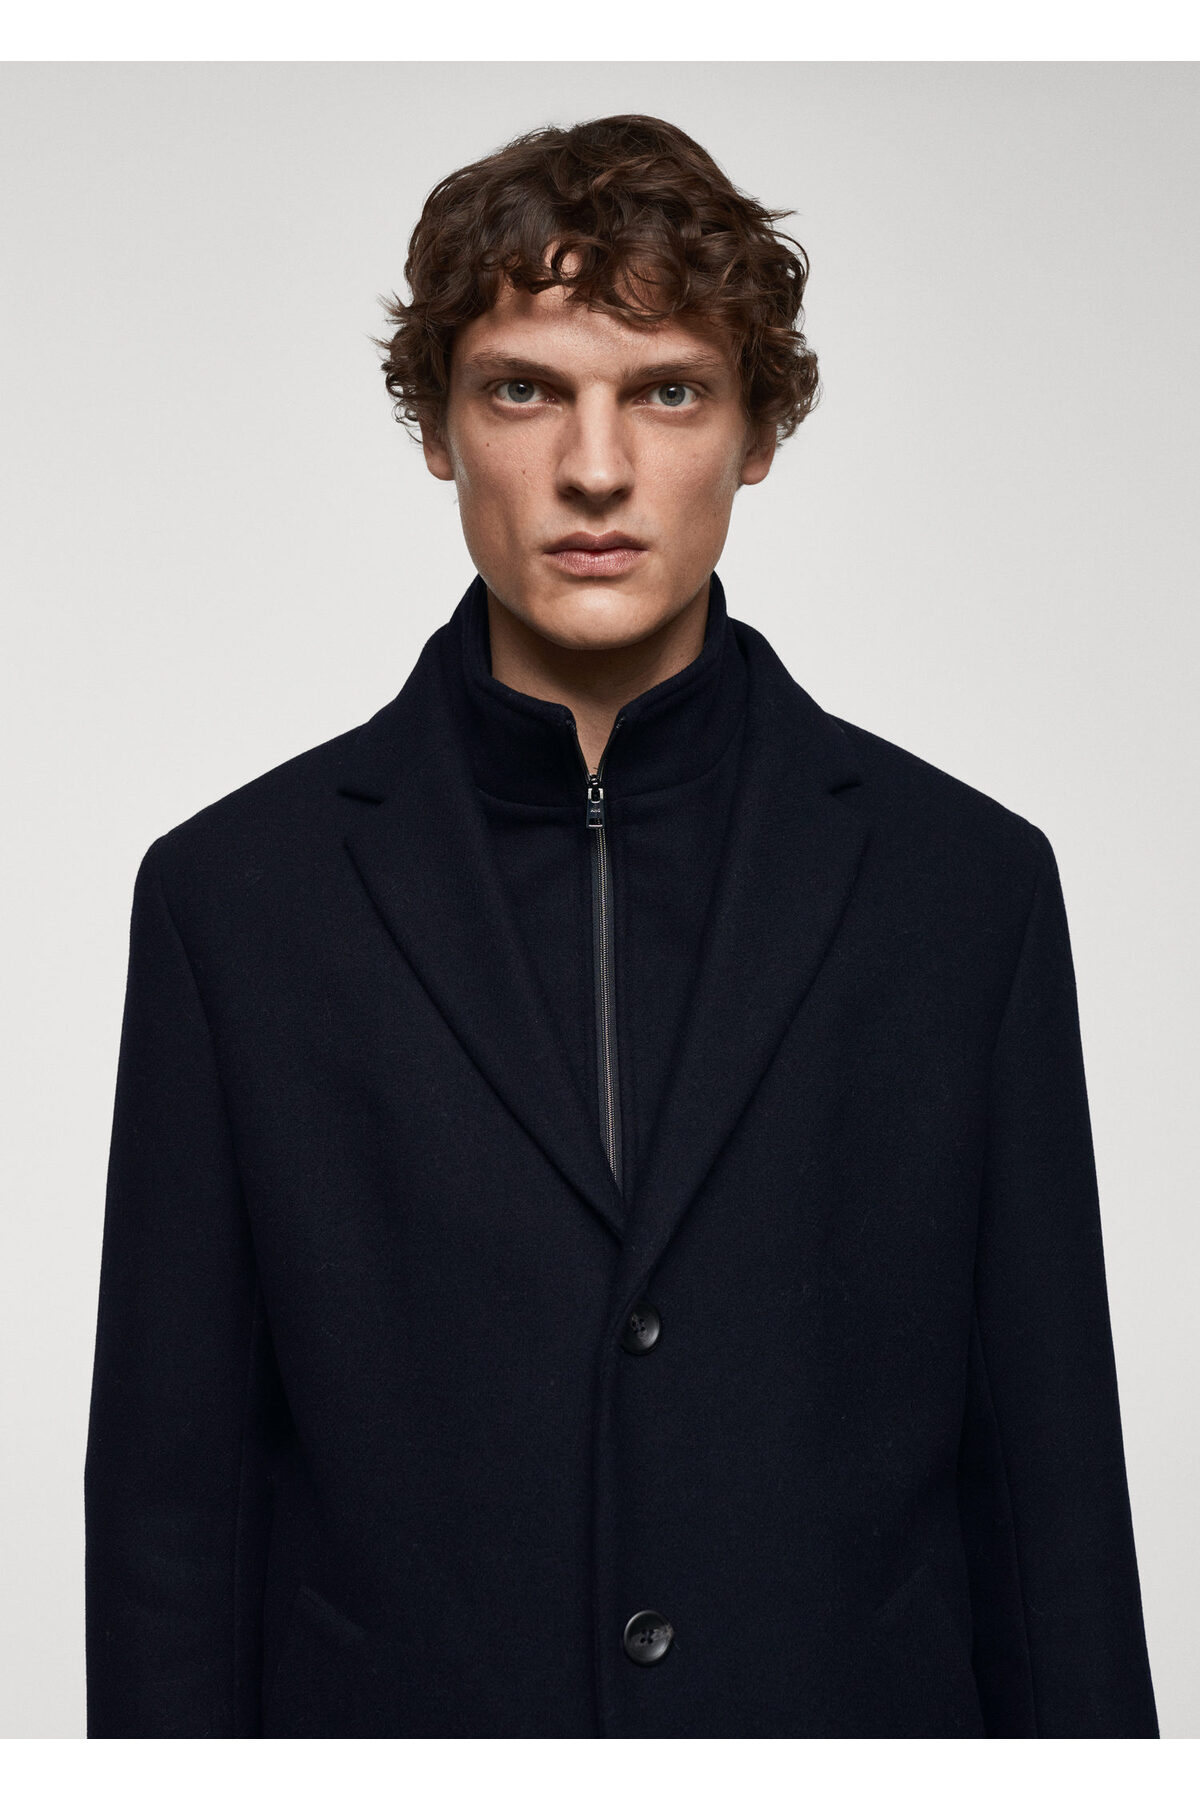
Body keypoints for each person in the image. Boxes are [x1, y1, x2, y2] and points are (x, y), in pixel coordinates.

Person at [83, 113, 1159, 1738]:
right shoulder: (233, 902)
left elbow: (1051, 1514)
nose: (596, 469)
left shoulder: (967, 890)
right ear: (439, 429)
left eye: (668, 392)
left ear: (758, 431)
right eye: (524, 390)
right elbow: (175, 1521)